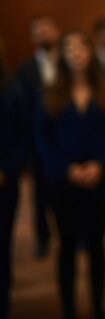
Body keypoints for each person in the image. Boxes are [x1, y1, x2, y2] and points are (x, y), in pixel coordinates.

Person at [34, 30, 105, 319]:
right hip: (63, 182)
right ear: (63, 55)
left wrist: (100, 166)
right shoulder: (50, 94)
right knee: (67, 246)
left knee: (98, 245)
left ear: (90, 53)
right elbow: (41, 139)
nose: (76, 53)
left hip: (99, 180)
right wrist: (66, 169)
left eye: (81, 48)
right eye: (69, 49)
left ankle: (98, 308)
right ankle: (69, 309)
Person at [15, 15, 60, 258]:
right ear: (33, 37)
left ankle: (74, 235)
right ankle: (43, 238)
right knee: (40, 194)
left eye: (47, 28)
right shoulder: (25, 69)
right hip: (37, 141)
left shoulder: (67, 63)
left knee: (66, 192)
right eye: (38, 30)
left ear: (56, 32)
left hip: (66, 140)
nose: (43, 33)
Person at [0, 37, 24, 319]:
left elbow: (23, 137)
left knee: (3, 245)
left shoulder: (13, 89)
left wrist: (6, 169)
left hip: (5, 180)